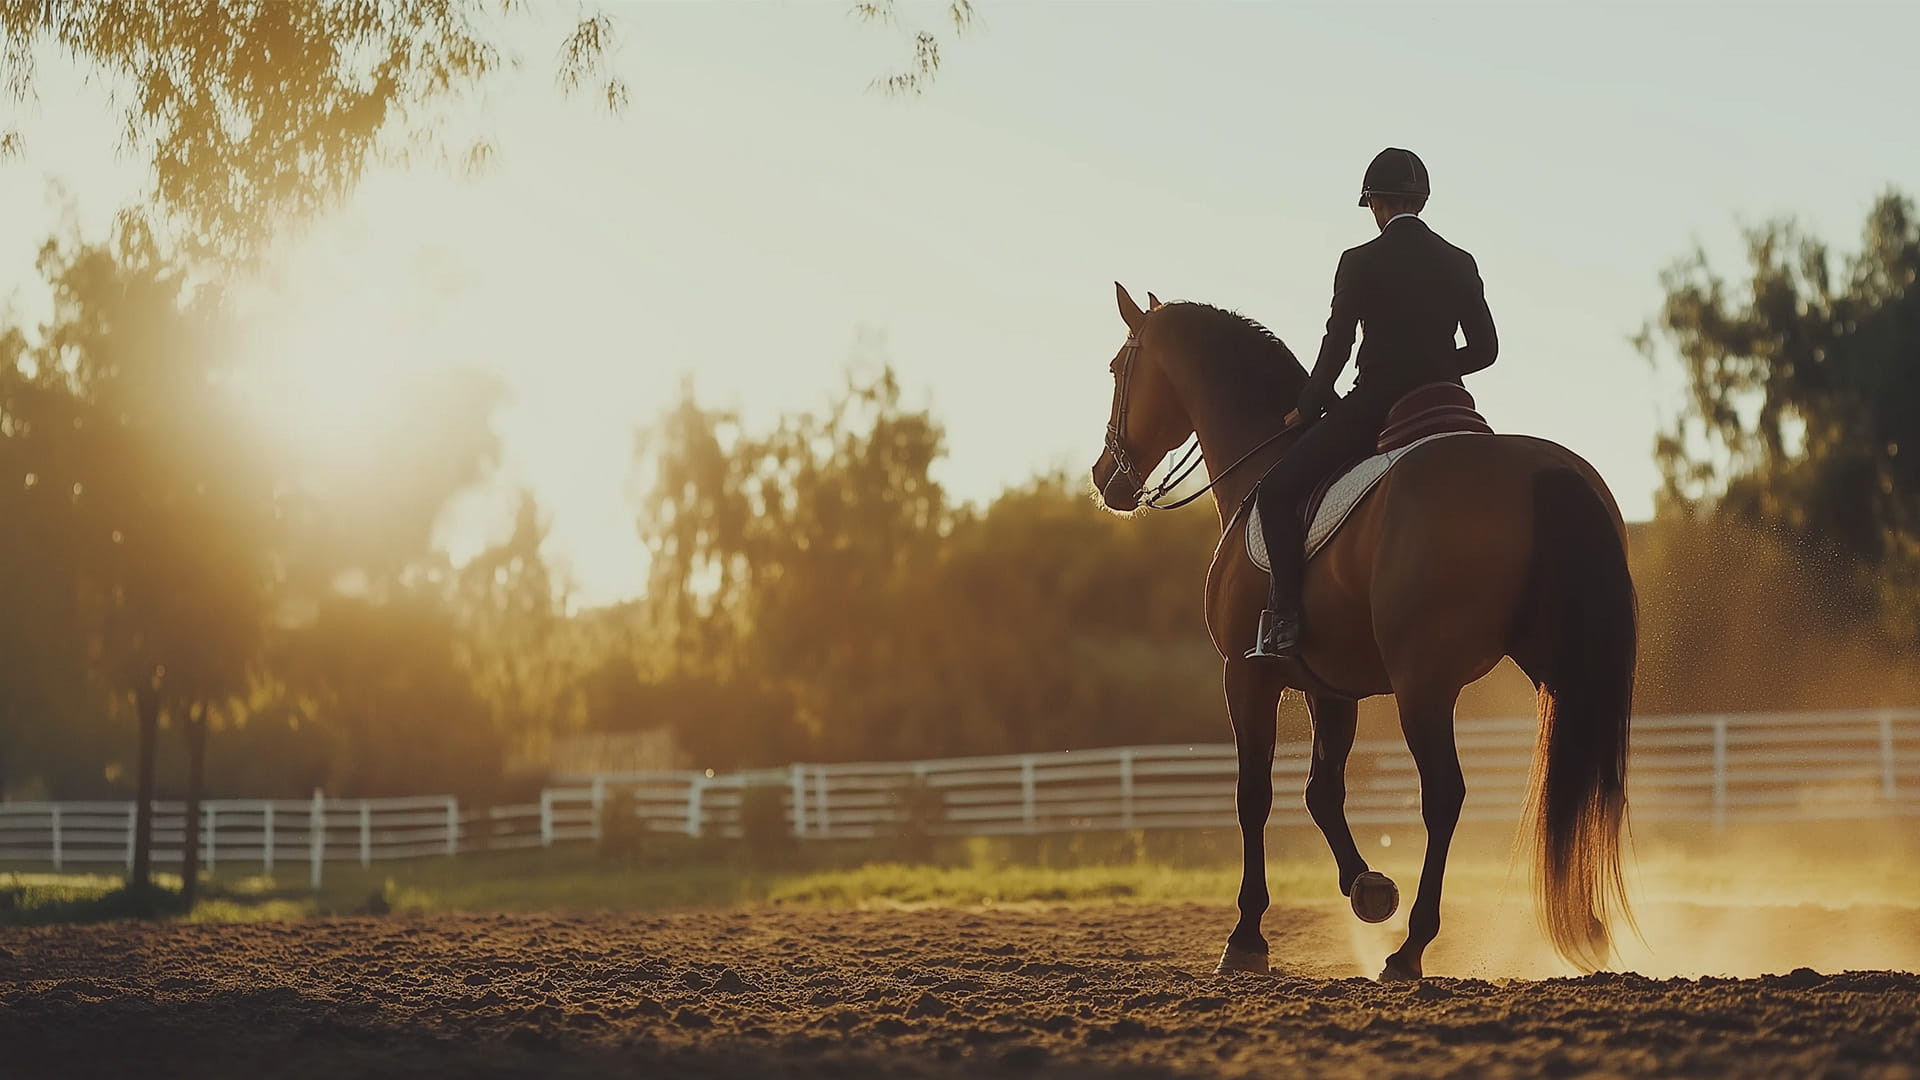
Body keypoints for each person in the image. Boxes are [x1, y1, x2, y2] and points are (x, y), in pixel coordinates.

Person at [1248, 147, 1499, 659]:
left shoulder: (1358, 261)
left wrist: (1308, 404)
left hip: (1376, 405)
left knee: (1274, 493)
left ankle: (1287, 623)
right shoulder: (1460, 261)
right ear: (1421, 202)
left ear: (1376, 205)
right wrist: (1438, 367)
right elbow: (1486, 349)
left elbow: (1337, 346)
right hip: (1447, 403)